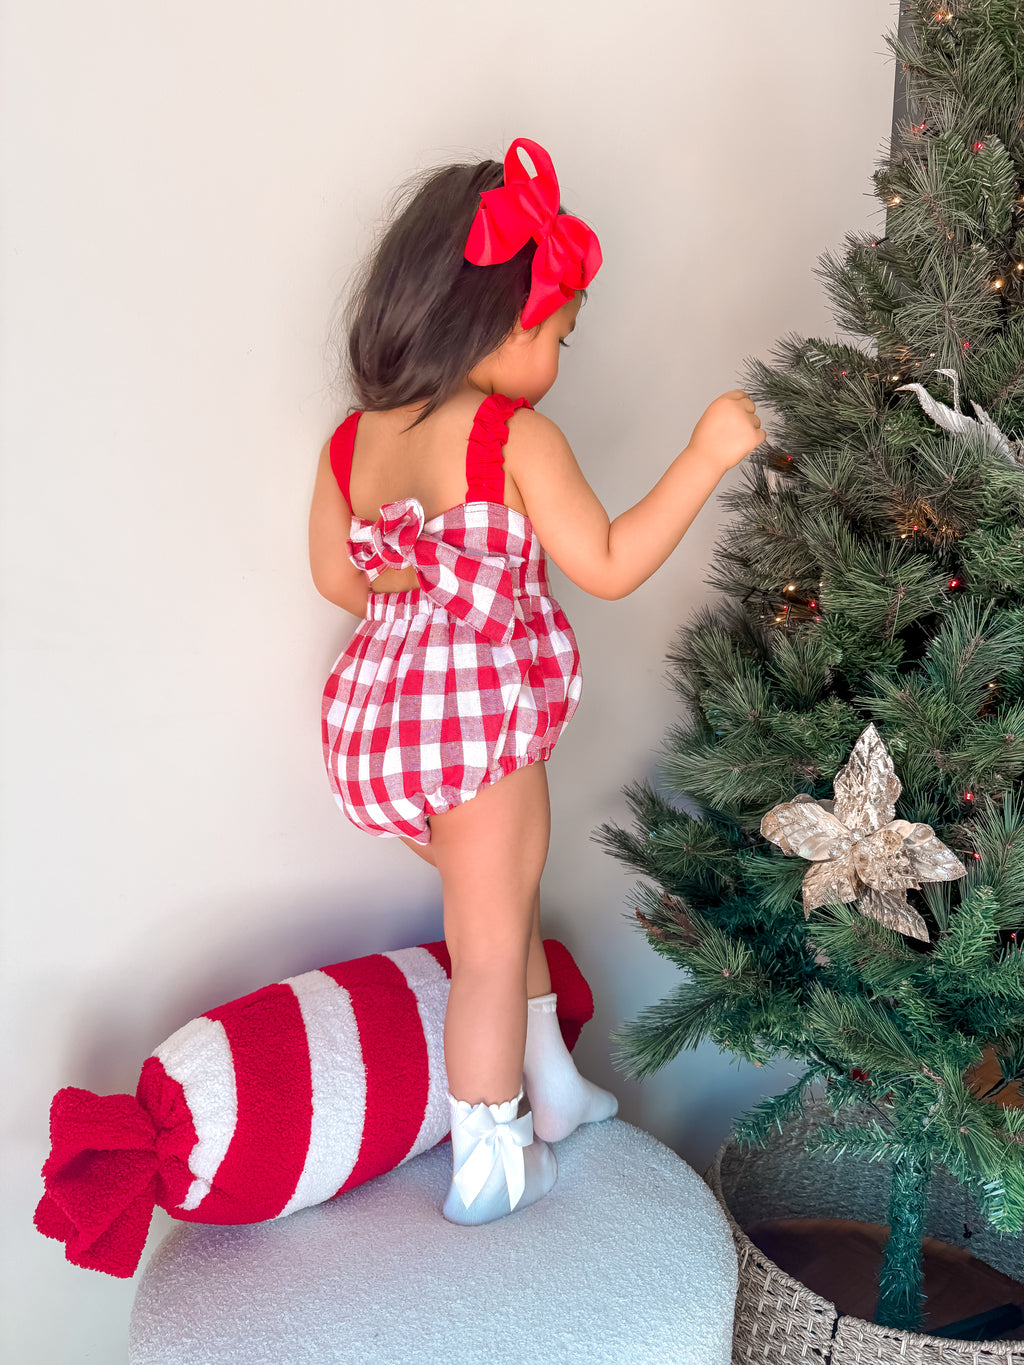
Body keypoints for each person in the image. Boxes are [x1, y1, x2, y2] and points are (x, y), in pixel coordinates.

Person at [308, 137, 766, 1226]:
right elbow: (604, 564)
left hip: (384, 733)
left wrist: (408, 571)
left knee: (497, 904)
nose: (558, 355)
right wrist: (704, 455)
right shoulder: (512, 435)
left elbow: (337, 577)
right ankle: (493, 1151)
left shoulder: (352, 442)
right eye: (556, 333)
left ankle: (553, 1085)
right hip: (477, 734)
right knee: (489, 940)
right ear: (500, 323)